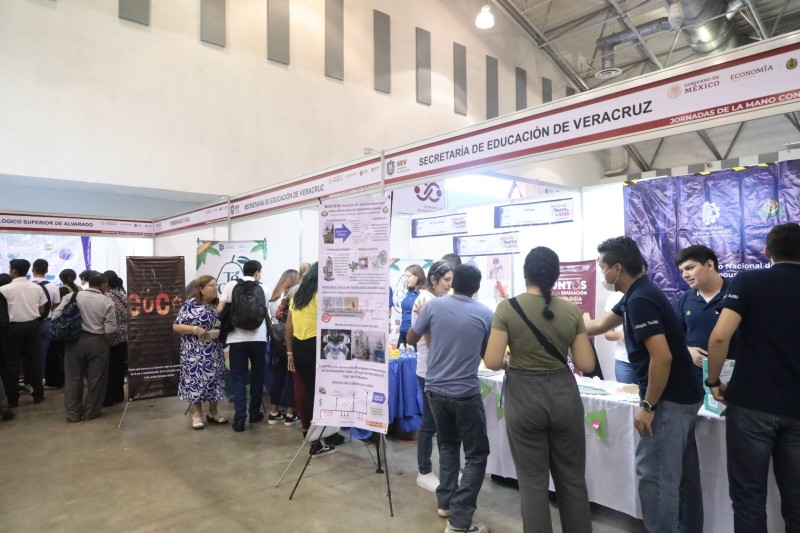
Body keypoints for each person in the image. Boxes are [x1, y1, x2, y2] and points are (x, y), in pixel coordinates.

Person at [585, 236, 704, 533]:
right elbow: (598, 326)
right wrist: (564, 318)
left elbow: (661, 357)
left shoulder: (640, 299)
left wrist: (648, 406)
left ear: (617, 268)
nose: (601, 274)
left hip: (669, 399)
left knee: (657, 477)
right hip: (683, 395)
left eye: (602, 267)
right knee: (681, 475)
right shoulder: (636, 293)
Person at [484, 247, 596, 533]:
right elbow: (586, 363)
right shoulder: (571, 311)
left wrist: (511, 361)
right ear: (556, 276)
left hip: (523, 396)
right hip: (564, 395)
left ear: (525, 274)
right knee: (572, 480)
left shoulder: (507, 308)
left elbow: (493, 361)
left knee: (532, 483)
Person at [707, 222, 800, 533]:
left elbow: (720, 336)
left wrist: (713, 381)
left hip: (751, 404)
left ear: (767, 252)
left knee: (748, 498)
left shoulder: (750, 280)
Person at [407, 264, 494, 533]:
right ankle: (459, 521)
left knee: (447, 446)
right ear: (477, 287)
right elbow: (488, 355)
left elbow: (411, 338)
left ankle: (445, 503)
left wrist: (426, 322)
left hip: (435, 389)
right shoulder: (485, 313)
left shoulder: (433, 306)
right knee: (476, 455)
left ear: (453, 282)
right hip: (465, 393)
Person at [411, 260, 454, 493]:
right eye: (446, 280)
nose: (449, 285)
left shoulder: (434, 300)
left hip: (436, 370)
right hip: (429, 371)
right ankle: (424, 471)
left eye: (451, 280)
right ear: (434, 279)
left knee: (438, 423)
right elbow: (431, 341)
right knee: (429, 423)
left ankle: (444, 469)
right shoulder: (426, 301)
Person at [286, 263, 336, 457]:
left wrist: (290, 352)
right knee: (320, 394)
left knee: (306, 391)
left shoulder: (298, 295)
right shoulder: (322, 296)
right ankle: (317, 442)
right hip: (317, 346)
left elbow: (289, 325)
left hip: (299, 347)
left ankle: (311, 433)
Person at [53, 272, 116, 422]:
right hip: (97, 341)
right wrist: (107, 344)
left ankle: (73, 413)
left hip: (73, 341)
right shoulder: (107, 301)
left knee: (73, 378)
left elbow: (55, 316)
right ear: (103, 285)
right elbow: (109, 329)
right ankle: (90, 412)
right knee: (96, 379)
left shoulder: (72, 296)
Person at [218, 260, 269, 432]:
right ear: (256, 272)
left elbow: (220, 310)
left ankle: (239, 419)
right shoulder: (263, 288)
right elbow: (265, 312)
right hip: (259, 338)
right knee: (257, 376)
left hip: (236, 339)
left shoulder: (231, 285)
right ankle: (254, 413)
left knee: (239, 378)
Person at [173, 275, 227, 430]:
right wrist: (195, 329)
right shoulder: (191, 305)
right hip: (194, 353)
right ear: (202, 289)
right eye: (212, 285)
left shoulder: (216, 305)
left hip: (214, 350)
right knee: (196, 381)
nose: (215, 288)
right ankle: (197, 414)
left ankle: (213, 412)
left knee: (214, 380)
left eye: (216, 285)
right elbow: (176, 327)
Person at [674, 244, 733, 381]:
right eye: (682, 271)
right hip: (694, 376)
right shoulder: (685, 299)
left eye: (689, 268)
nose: (685, 275)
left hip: (732, 376)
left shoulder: (735, 294)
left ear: (709, 265)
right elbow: (676, 336)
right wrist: (687, 350)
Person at [0, 259, 47, 408]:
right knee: (34, 361)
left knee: (11, 364)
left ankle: (13, 399)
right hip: (33, 326)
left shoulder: (4, 289)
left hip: (12, 329)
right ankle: (38, 394)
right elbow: (41, 310)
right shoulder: (37, 288)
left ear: (13, 271)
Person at [266, 268, 300, 426]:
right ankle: (290, 414)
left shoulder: (274, 297)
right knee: (292, 377)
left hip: (277, 341)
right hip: (290, 341)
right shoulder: (291, 297)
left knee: (278, 375)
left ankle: (273, 412)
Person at [45, 269, 81, 389]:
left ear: (61, 278)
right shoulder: (79, 289)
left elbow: (57, 308)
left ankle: (54, 381)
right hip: (76, 326)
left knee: (54, 354)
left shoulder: (63, 290)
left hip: (63, 326)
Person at [31, 259, 61, 390]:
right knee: (44, 353)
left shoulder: (28, 285)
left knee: (27, 353)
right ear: (47, 270)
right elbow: (56, 305)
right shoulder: (54, 287)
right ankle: (40, 382)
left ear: (33, 270)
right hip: (46, 322)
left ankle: (28, 381)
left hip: (29, 322)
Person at [103, 270, 128, 406]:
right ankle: (119, 394)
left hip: (110, 336)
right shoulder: (122, 294)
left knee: (109, 368)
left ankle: (109, 396)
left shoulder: (106, 297)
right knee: (119, 367)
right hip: (123, 335)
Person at [604, 292, 635, 384]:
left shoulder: (645, 294)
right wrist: (621, 335)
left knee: (647, 393)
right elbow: (608, 333)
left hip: (646, 360)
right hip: (623, 361)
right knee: (625, 393)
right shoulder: (614, 298)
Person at [398, 264, 424, 348]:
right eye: (406, 276)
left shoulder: (423, 294)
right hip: (403, 333)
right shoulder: (409, 292)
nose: (406, 279)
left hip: (415, 335)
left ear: (417, 276)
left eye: (408, 276)